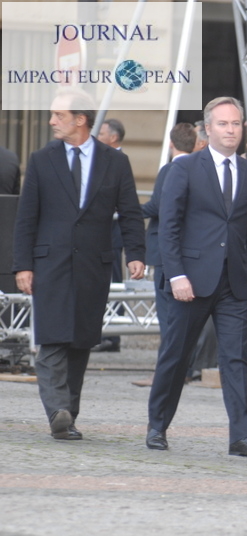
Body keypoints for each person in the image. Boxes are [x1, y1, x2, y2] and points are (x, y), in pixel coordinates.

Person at [12, 87, 146, 440]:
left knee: (80, 341)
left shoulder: (115, 161)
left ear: (81, 119)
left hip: (93, 265)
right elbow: (26, 217)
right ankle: (57, 409)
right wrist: (22, 265)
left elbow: (130, 212)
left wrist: (136, 253)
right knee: (52, 337)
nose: (52, 121)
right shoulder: (41, 159)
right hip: (49, 264)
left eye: (59, 115)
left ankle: (68, 414)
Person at [146, 97, 247, 457]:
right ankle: (157, 426)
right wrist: (177, 275)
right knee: (176, 354)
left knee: (235, 359)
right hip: (191, 281)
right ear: (207, 129)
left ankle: (241, 436)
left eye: (236, 123)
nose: (231, 130)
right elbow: (168, 227)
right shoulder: (184, 168)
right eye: (223, 124)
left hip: (235, 283)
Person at [134, 123, 218, 388]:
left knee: (169, 319)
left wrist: (130, 211)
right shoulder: (200, 170)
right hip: (189, 253)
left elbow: (158, 206)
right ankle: (185, 368)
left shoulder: (171, 169)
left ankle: (168, 372)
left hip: (166, 254)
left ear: (171, 144)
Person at [93, 118, 127, 353]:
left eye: (101, 133)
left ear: (113, 137)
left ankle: (113, 335)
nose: (97, 137)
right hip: (102, 235)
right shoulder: (101, 159)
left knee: (114, 284)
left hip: (113, 235)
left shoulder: (119, 162)